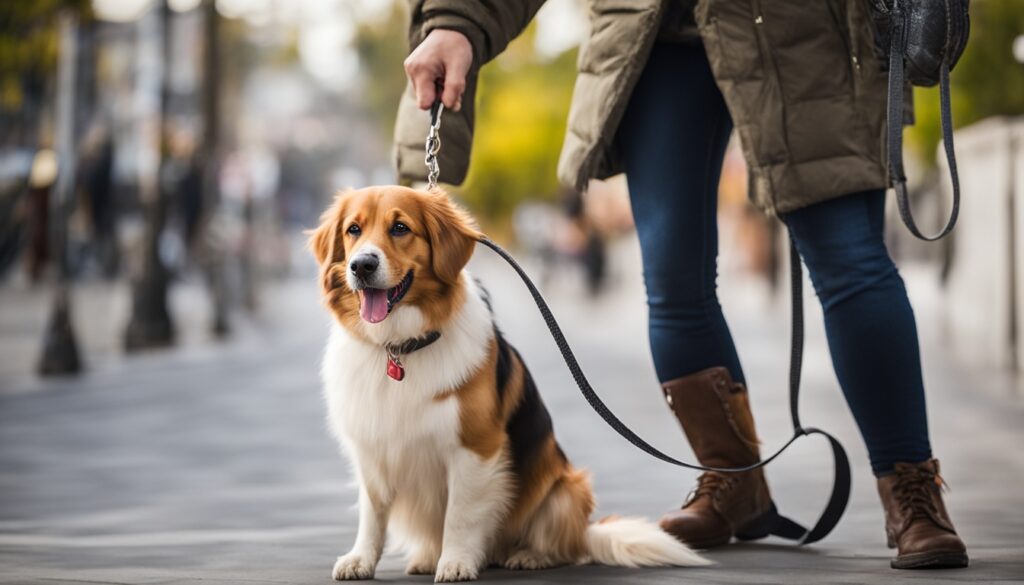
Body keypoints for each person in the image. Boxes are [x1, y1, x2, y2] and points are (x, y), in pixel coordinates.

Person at [396, 0, 967, 570]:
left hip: (804, 28)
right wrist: (457, 22)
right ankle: (734, 481)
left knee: (851, 263)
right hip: (656, 33)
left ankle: (912, 491)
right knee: (673, 282)